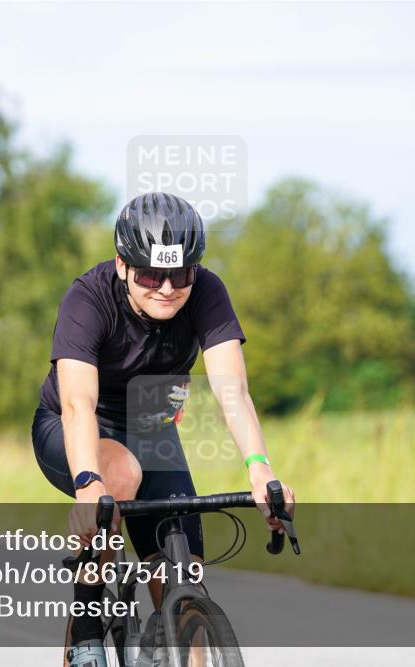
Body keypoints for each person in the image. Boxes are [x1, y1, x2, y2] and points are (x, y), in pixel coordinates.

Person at [31, 192, 294, 666]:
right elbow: (77, 403)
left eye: (181, 275)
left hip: (152, 426)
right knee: (120, 477)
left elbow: (233, 391)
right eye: (152, 275)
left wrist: (261, 472)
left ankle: (170, 638)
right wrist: (89, 485)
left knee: (182, 572)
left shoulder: (208, 292)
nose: (168, 288)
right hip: (76, 426)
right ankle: (88, 625)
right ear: (122, 264)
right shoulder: (88, 297)